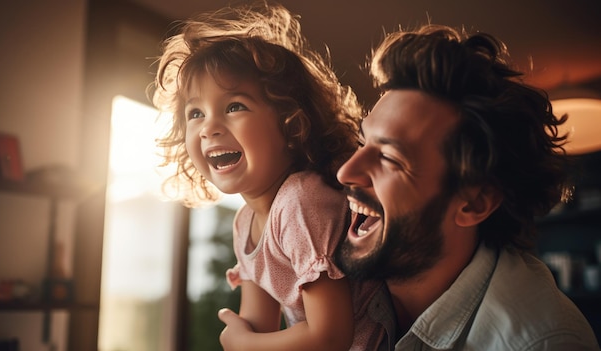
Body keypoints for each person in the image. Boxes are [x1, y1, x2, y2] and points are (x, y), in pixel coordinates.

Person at [333, 24, 600, 350]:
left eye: (389, 158)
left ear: (474, 203)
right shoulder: (333, 283)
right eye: (362, 143)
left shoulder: (539, 343)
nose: (346, 172)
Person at [152, 2, 385, 350]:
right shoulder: (246, 222)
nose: (208, 128)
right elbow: (257, 327)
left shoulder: (301, 200)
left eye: (234, 107)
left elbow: (331, 337)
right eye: (196, 113)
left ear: (292, 124)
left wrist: (243, 343)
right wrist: (244, 338)